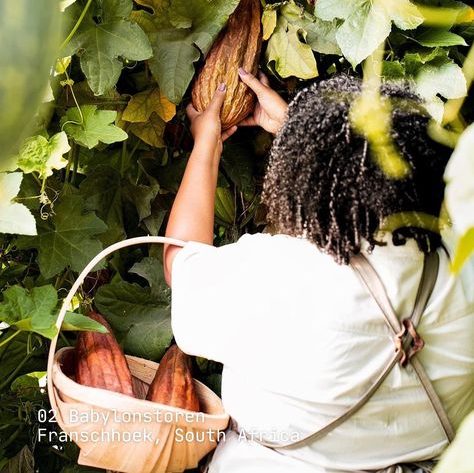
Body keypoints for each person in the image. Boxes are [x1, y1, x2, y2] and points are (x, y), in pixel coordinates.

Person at [162, 70, 474, 472]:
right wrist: (301, 132)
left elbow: (181, 261)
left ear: (298, 181)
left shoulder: (276, 277)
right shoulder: (462, 272)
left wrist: (206, 141)